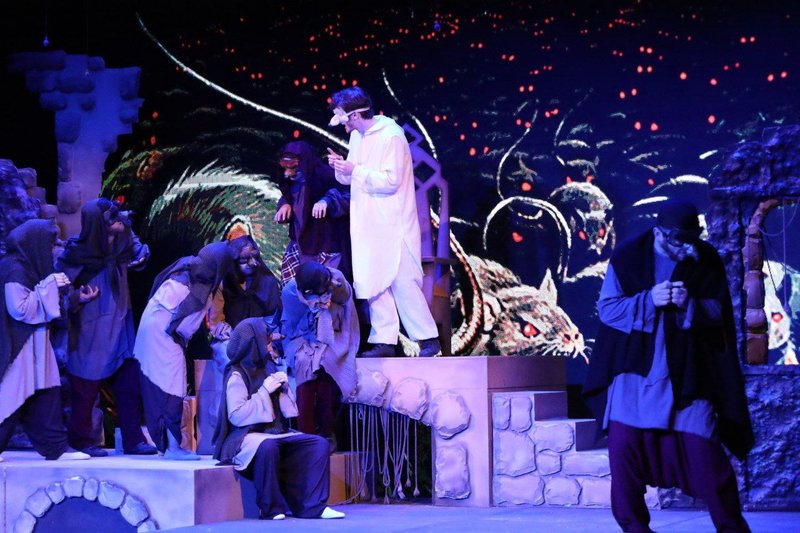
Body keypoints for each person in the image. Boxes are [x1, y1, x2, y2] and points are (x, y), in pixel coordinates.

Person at [584, 199, 753, 533]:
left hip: (687, 377)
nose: (685, 248)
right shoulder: (629, 256)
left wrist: (690, 305)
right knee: (624, 458)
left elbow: (719, 313)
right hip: (635, 377)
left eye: (691, 240)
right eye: (677, 241)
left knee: (708, 459)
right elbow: (608, 309)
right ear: (659, 233)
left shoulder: (704, 258)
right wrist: (650, 299)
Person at [326, 86, 440, 358]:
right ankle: (384, 340)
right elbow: (352, 176)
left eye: (343, 117)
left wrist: (355, 170)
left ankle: (428, 339)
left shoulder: (391, 136)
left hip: (392, 222)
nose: (342, 124)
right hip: (367, 221)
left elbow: (391, 181)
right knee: (373, 280)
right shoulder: (357, 137)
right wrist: (341, 168)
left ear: (354, 115)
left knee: (402, 281)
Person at [213, 317, 345, 520]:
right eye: (265, 341)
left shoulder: (268, 366)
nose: (269, 346)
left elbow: (288, 412)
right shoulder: (236, 374)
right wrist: (265, 391)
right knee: (267, 446)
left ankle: (314, 507)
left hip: (274, 431)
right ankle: (270, 508)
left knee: (318, 444)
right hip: (244, 435)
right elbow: (237, 415)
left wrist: (283, 389)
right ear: (253, 343)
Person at [56, 199, 157, 457]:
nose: (118, 220)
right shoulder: (78, 252)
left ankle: (133, 440)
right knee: (85, 388)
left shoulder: (123, 242)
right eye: (112, 218)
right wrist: (76, 298)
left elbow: (138, 253)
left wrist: (137, 246)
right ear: (98, 225)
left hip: (121, 323)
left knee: (128, 383)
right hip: (92, 329)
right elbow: (57, 292)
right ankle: (81, 441)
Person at [0, 219, 94, 461]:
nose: (56, 247)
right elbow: (20, 309)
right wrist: (49, 286)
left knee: (45, 394)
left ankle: (55, 448)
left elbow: (44, 306)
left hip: (36, 343)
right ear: (36, 242)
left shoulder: (32, 265)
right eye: (52, 243)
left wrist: (69, 297)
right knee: (10, 396)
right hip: (18, 345)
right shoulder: (15, 268)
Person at [135, 241, 233, 459]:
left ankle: (170, 445)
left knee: (167, 391)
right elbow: (181, 325)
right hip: (163, 339)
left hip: (157, 335)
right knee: (172, 392)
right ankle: (172, 447)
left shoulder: (187, 271)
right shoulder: (192, 286)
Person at [281, 261, 358, 450]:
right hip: (302, 336)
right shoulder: (291, 292)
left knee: (327, 365)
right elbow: (291, 327)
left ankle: (327, 432)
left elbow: (345, 301)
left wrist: (329, 296)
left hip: (335, 333)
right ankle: (306, 435)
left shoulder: (336, 279)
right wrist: (313, 306)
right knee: (304, 364)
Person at [274, 141, 352, 285]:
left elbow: (348, 195)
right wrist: (285, 204)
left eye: (293, 168)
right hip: (301, 245)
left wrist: (327, 200)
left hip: (327, 247)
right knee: (293, 288)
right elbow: (288, 195)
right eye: (285, 168)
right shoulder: (291, 182)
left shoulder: (326, 175)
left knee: (326, 288)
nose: (288, 173)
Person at [208, 234, 281, 372]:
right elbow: (216, 323)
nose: (252, 263)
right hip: (229, 338)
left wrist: (266, 340)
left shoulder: (268, 282)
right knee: (231, 362)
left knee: (273, 366)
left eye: (255, 257)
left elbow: (272, 320)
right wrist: (238, 339)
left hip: (261, 338)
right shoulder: (223, 283)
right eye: (244, 259)